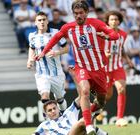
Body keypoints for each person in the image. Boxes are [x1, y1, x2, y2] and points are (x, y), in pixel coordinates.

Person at [35, 1, 119, 134]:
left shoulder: (96, 24)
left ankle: (86, 119)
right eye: (75, 13)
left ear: (86, 12)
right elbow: (55, 38)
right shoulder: (68, 27)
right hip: (82, 67)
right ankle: (88, 125)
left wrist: (107, 36)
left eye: (81, 13)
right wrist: (44, 52)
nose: (78, 16)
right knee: (84, 91)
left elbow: (116, 35)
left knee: (101, 101)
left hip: (98, 69)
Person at [27, 11, 69, 113]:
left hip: (56, 73)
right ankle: (51, 120)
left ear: (47, 21)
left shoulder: (56, 33)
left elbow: (66, 48)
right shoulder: (32, 36)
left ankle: (64, 115)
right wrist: (29, 60)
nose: (42, 22)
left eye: (44, 20)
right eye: (39, 20)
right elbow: (32, 48)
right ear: (35, 22)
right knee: (45, 96)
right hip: (42, 74)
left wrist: (56, 52)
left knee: (60, 99)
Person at [103, 11, 134, 127]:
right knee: (107, 95)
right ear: (108, 21)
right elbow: (97, 49)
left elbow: (121, 48)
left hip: (117, 67)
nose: (114, 21)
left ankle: (119, 118)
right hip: (105, 68)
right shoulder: (102, 34)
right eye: (111, 19)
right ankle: (98, 109)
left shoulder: (123, 35)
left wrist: (127, 59)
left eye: (116, 19)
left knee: (121, 89)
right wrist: (104, 54)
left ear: (119, 21)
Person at [32, 98, 108, 135]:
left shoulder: (68, 113)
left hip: (79, 132)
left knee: (86, 124)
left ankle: (94, 111)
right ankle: (94, 112)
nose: (53, 111)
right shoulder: (44, 125)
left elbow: (81, 98)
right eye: (50, 110)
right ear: (46, 114)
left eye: (54, 108)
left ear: (58, 109)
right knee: (83, 122)